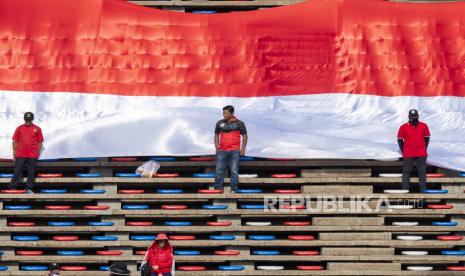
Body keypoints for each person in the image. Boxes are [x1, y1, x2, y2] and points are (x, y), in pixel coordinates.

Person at [214, 105, 248, 193]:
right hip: (222, 150)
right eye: (223, 113)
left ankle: (234, 189)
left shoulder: (239, 123)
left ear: (232, 113)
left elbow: (245, 136)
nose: (224, 115)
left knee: (234, 171)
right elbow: (216, 135)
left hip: (235, 151)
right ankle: (218, 188)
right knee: (219, 170)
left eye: (226, 113)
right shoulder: (220, 123)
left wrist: (243, 149)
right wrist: (217, 147)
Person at [9, 112, 44, 193]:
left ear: (32, 119)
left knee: (31, 172)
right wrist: (14, 153)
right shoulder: (19, 128)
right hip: (20, 154)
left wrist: (37, 153)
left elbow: (40, 142)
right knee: (17, 171)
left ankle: (29, 188)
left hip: (32, 155)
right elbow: (14, 141)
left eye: (29, 119)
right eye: (27, 119)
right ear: (24, 119)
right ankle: (13, 187)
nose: (28, 120)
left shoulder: (37, 128)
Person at [397, 109, 430, 192]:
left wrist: (423, 148)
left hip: (421, 152)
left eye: (415, 117)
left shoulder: (424, 125)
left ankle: (423, 190)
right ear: (408, 117)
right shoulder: (403, 127)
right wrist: (403, 150)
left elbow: (427, 138)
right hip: (408, 153)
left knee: (422, 171)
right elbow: (400, 140)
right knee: (406, 171)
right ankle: (405, 189)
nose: (413, 119)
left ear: (418, 116)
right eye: (412, 117)